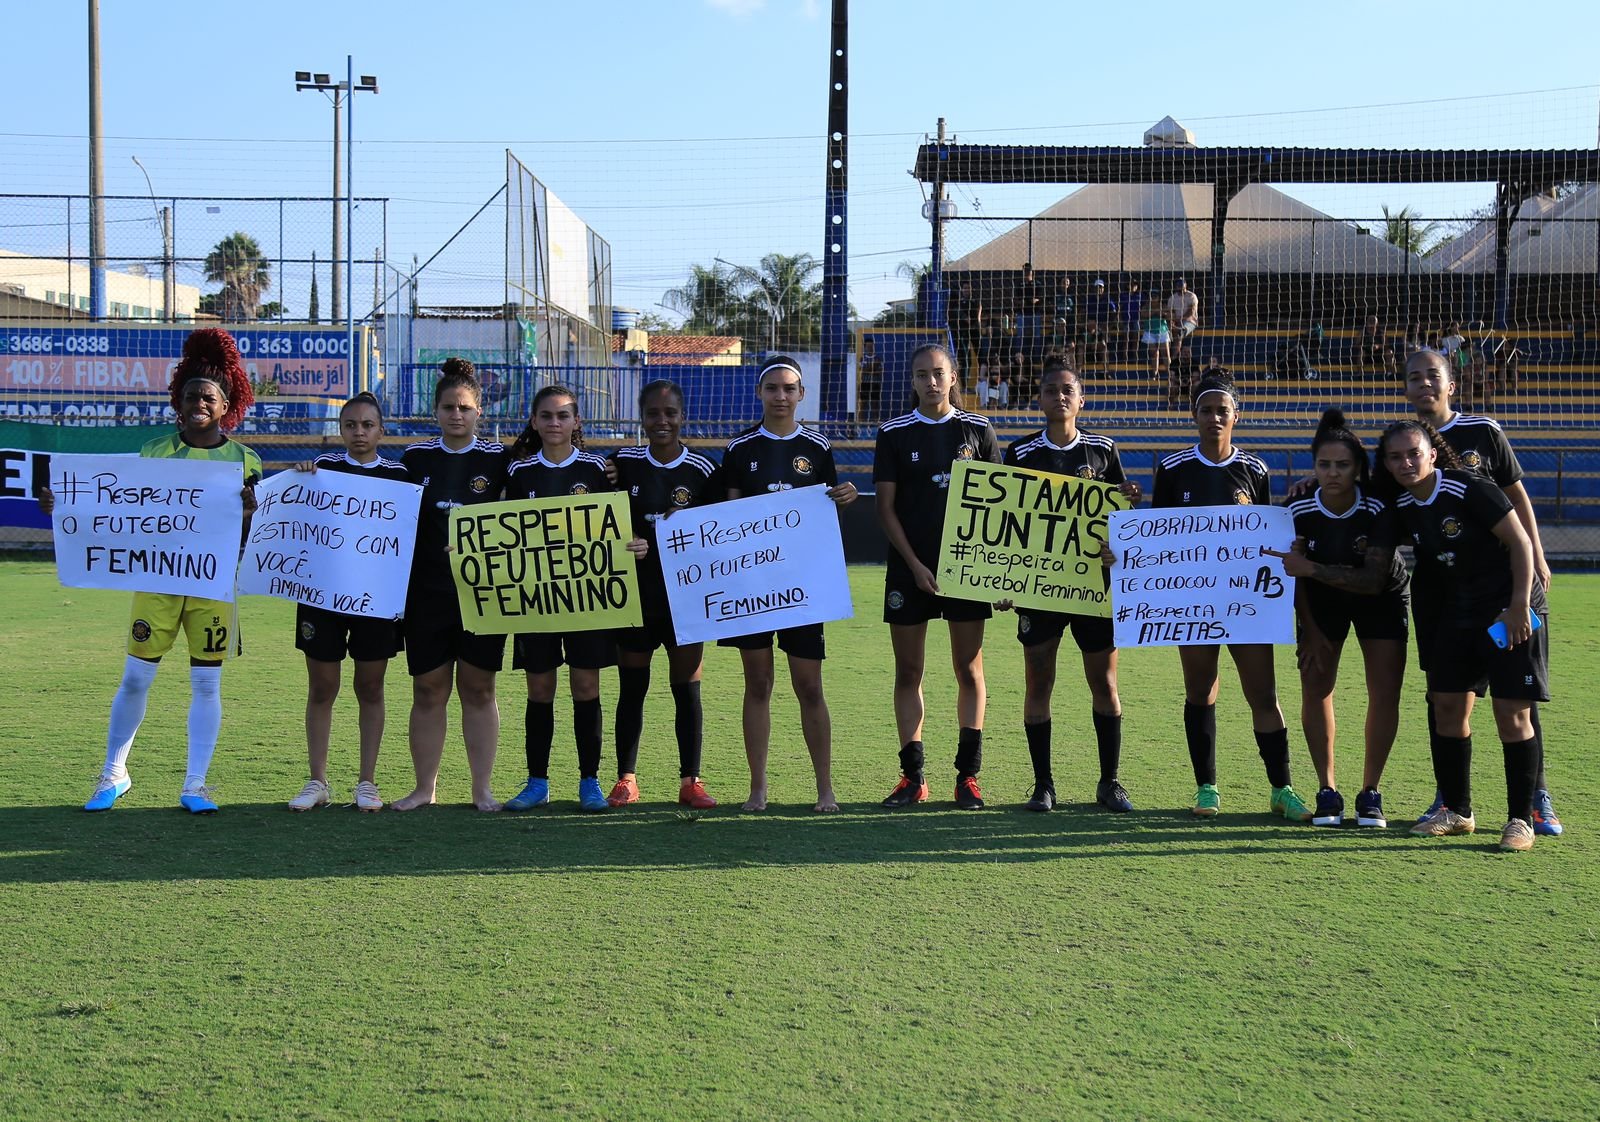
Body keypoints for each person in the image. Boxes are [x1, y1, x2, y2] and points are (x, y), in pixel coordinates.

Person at [42, 328, 260, 814]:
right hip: (158, 580)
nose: (198, 403)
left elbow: (252, 532)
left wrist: (250, 514)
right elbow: (116, 508)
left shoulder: (245, 459)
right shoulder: (154, 452)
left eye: (208, 397)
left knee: (206, 683)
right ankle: (114, 773)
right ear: (176, 403)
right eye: (189, 396)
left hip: (213, 585)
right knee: (136, 678)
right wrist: (64, 505)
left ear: (226, 405)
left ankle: (195, 784)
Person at [1399, 347, 1561, 833]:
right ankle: (1450, 797)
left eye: (1433, 376)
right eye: (1414, 377)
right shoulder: (1402, 446)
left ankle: (1535, 797)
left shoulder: (1483, 432)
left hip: (1501, 586)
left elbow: (1515, 495)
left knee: (1516, 697)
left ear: (1452, 384)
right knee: (1446, 695)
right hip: (1443, 594)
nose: (1424, 384)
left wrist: (1535, 553)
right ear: (1404, 388)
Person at [1370, 419, 1549, 851]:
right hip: (1456, 613)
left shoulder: (1467, 487)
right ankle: (1457, 809)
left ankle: (1521, 820)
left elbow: (1520, 542)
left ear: (1432, 452)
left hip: (1509, 606)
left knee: (1512, 715)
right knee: (1447, 707)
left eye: (1414, 453)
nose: (1406, 462)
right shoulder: (1400, 505)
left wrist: (1519, 606)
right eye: (1395, 457)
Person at [1151, 370, 1312, 821]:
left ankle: (1282, 788)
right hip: (1194, 604)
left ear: (1236, 416)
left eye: (1223, 410)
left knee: (1263, 693)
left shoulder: (1254, 470)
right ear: (1194, 415)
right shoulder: (1172, 468)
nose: (1214, 417)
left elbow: (1263, 534)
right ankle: (1207, 787)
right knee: (1200, 690)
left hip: (1246, 603)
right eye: (1206, 410)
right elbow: (1156, 540)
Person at [998, 356, 1142, 812]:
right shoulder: (1020, 453)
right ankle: (1043, 785)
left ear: (1081, 399)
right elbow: (1002, 523)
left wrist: (1124, 518)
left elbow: (1120, 518)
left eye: (1067, 390)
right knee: (1038, 682)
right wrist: (1002, 579)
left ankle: (1110, 782)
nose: (1059, 396)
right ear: (1038, 398)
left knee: (1104, 682)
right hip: (1038, 590)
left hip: (1092, 588)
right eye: (1050, 390)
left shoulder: (1103, 449)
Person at [500, 384, 649, 814]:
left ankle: (589, 781)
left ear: (576, 421)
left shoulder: (599, 470)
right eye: (546, 416)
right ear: (534, 421)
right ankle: (537, 782)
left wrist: (635, 544)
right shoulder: (520, 472)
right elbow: (499, 529)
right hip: (536, 600)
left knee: (586, 687)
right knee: (540, 689)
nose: (554, 424)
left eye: (563, 416)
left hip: (588, 600)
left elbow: (616, 527)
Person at [718, 355, 858, 813]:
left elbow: (826, 513)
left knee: (809, 686)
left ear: (801, 395)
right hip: (753, 588)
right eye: (772, 388)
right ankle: (757, 788)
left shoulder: (817, 448)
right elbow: (729, 519)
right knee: (757, 684)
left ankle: (825, 789)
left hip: (803, 588)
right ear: (760, 394)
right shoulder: (740, 449)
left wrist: (845, 498)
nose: (780, 395)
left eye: (789, 388)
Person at [1263, 409, 1409, 828]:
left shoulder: (1380, 507)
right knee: (1317, 686)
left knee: (1384, 692)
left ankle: (1370, 793)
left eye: (1343, 465)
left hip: (1381, 596)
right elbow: (1293, 571)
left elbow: (1371, 580)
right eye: (1324, 465)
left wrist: (1310, 568)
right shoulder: (1298, 505)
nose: (1332, 473)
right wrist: (1308, 628)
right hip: (1321, 601)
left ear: (1359, 468)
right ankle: (1327, 790)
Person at [875, 343, 1000, 810]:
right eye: (922, 374)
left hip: (967, 573)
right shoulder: (893, 433)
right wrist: (916, 566)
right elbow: (885, 511)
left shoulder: (979, 430)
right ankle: (913, 778)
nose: (931, 381)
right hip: (911, 571)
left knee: (969, 669)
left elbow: (1001, 508)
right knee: (909, 671)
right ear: (912, 381)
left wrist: (999, 576)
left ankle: (968, 777)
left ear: (954, 378)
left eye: (939, 373)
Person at [286, 392, 411, 813]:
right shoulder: (320, 473)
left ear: (382, 430)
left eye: (367, 425)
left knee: (370, 687)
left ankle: (367, 782)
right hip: (323, 597)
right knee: (322, 686)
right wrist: (298, 478)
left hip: (376, 600)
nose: (359, 432)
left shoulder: (400, 477)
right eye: (351, 425)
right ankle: (318, 780)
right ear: (340, 430)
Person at [395, 358, 510, 812]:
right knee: (428, 689)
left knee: (479, 689)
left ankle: (482, 790)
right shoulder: (414, 460)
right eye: (447, 407)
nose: (456, 414)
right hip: (426, 594)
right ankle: (425, 788)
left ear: (479, 411)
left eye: (464, 407)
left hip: (483, 594)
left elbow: (530, 513)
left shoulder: (500, 461)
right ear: (436, 411)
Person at [608, 380, 722, 810]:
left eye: (670, 412)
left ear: (682, 415)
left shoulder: (704, 470)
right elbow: (599, 520)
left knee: (686, 689)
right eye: (653, 413)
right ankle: (626, 778)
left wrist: (691, 520)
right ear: (641, 417)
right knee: (632, 687)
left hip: (686, 599)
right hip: (636, 596)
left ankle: (691, 780)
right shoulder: (621, 465)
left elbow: (724, 528)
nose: (662, 421)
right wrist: (629, 539)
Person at [1166, 277, 1200, 363]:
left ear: (1185, 285)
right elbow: (1171, 313)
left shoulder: (1192, 296)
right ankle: (1167, 357)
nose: (1180, 287)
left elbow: (1191, 313)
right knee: (1166, 333)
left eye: (1181, 285)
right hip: (1176, 321)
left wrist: (1178, 321)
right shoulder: (1172, 298)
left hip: (1189, 321)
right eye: (1178, 285)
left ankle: (1174, 359)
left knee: (1179, 333)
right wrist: (1172, 321)